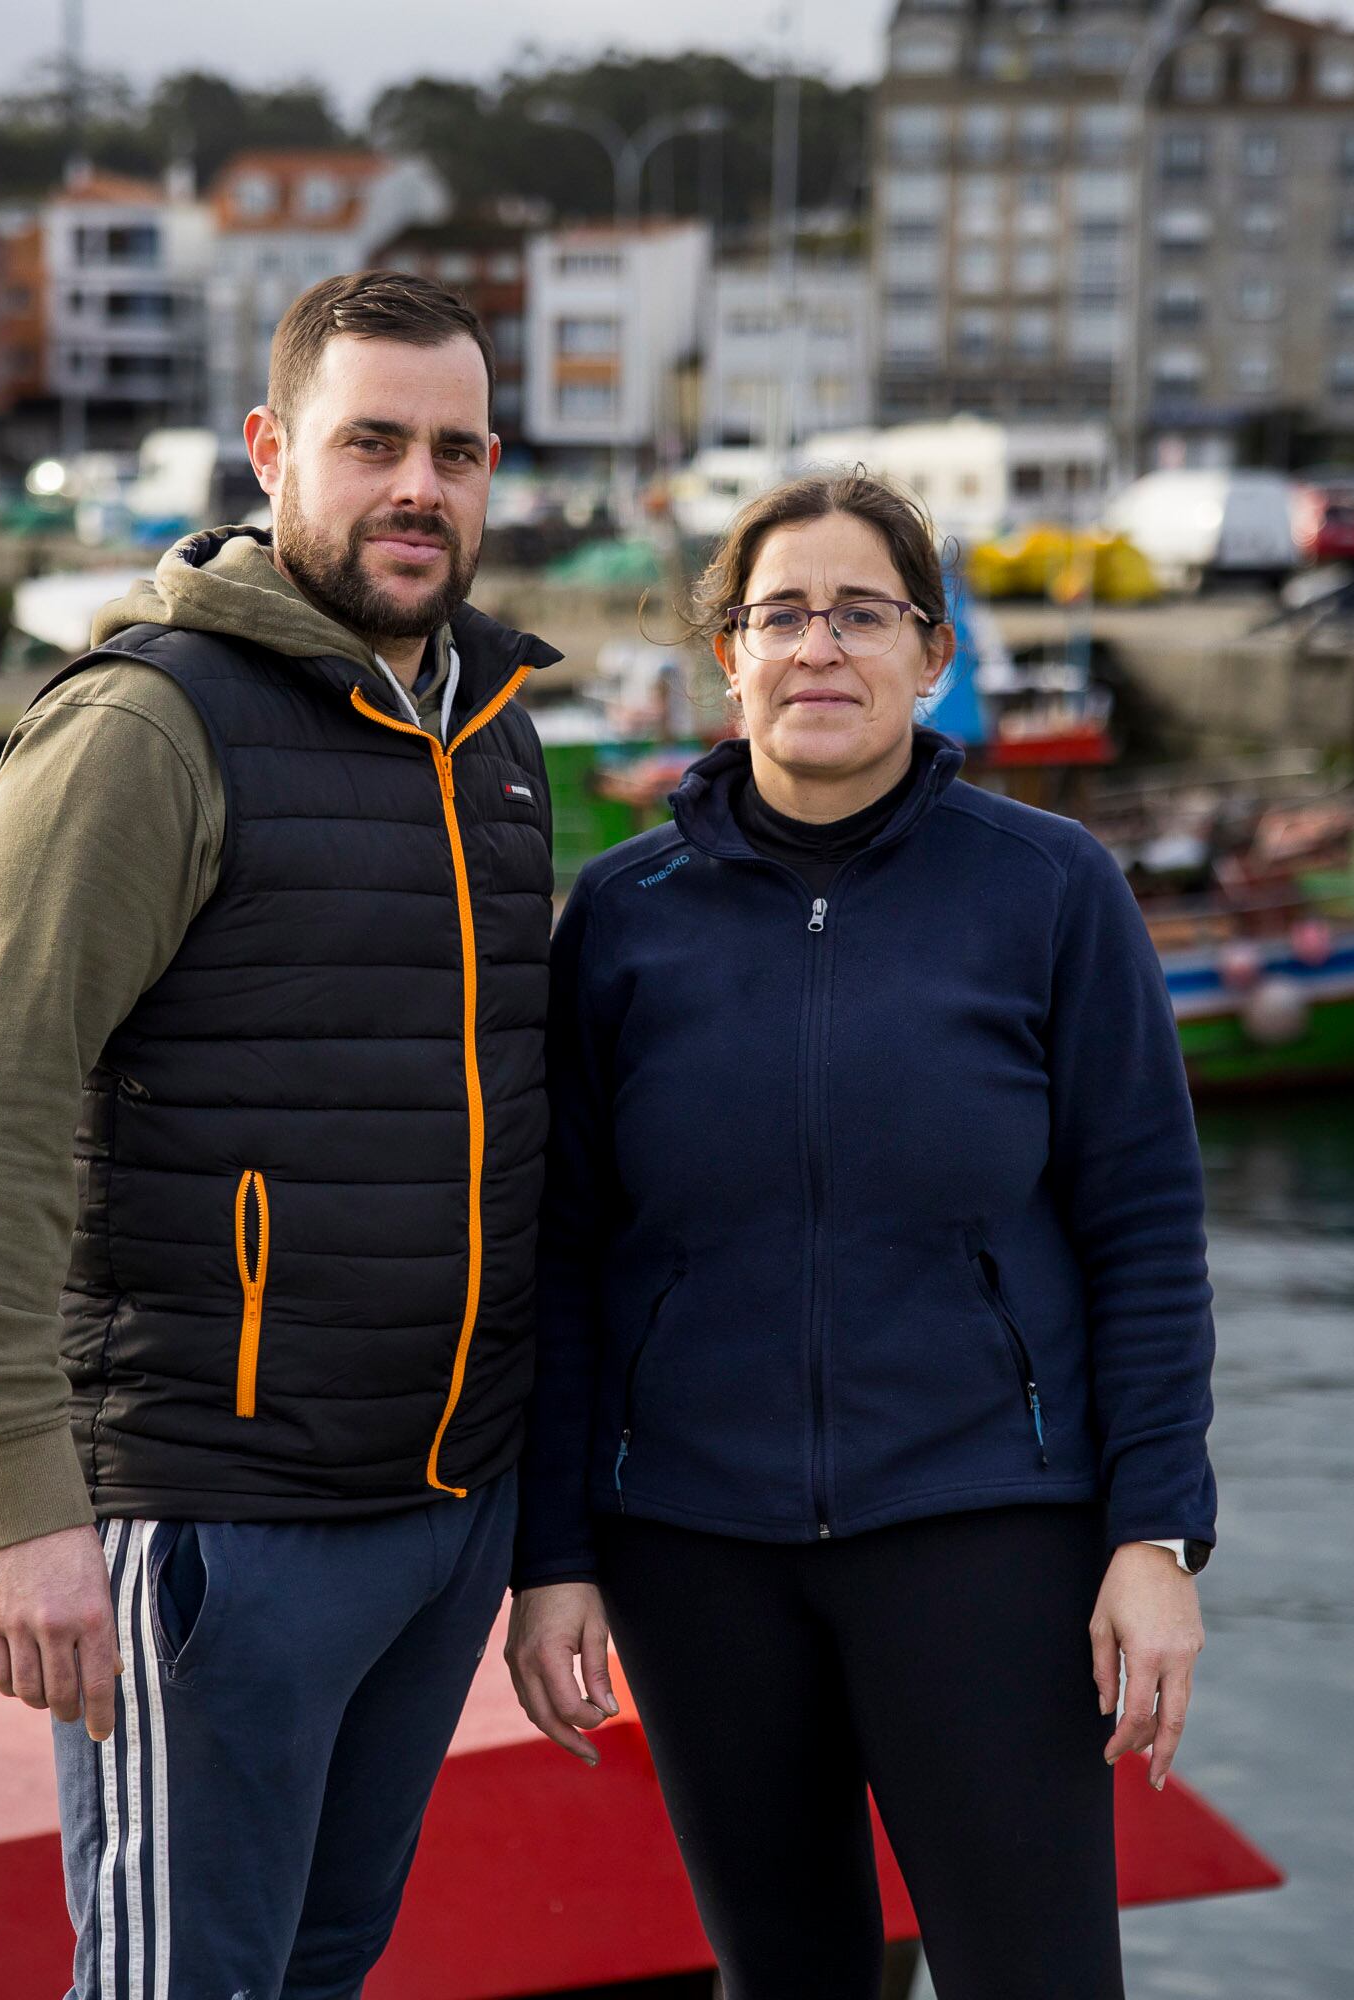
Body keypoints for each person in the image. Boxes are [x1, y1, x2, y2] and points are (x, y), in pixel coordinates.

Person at [0, 270, 559, 2000]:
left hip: (442, 1509)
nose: (421, 486)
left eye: (458, 448)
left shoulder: (494, 734)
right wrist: (16, 1505)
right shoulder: (146, 725)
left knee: (323, 1967)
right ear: (273, 451)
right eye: (373, 443)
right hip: (217, 1522)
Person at [505, 472, 1216, 1998]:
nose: (819, 648)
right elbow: (562, 1255)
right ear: (730, 657)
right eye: (780, 617)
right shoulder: (623, 918)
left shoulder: (1052, 890)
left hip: (985, 1532)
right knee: (786, 1980)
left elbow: (1145, 1226)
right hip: (693, 1552)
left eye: (861, 615)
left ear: (931, 651)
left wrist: (1154, 1536)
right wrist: (552, 1552)